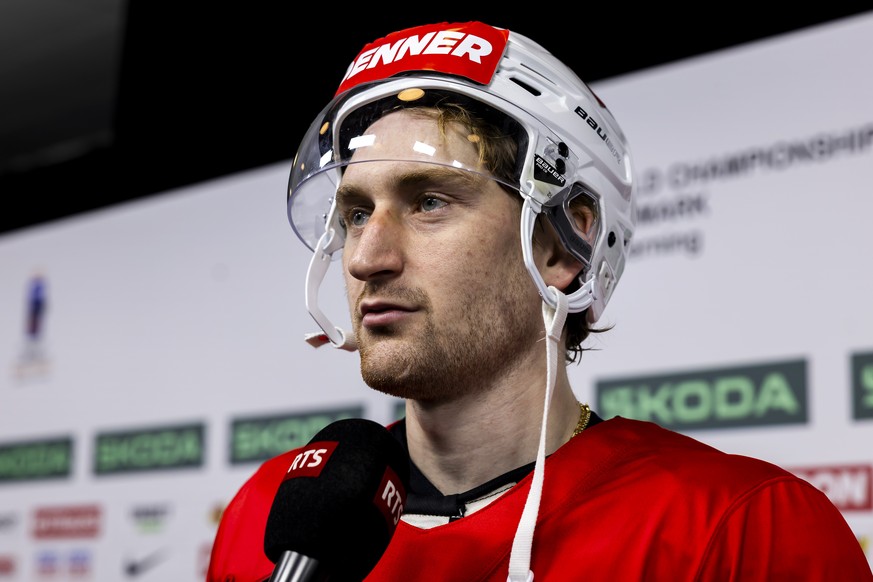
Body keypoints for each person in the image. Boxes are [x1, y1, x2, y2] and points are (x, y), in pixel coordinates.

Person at [207, 21, 872, 581]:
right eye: (354, 213)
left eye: (429, 202)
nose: (364, 257)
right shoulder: (271, 511)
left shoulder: (741, 526)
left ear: (562, 245)